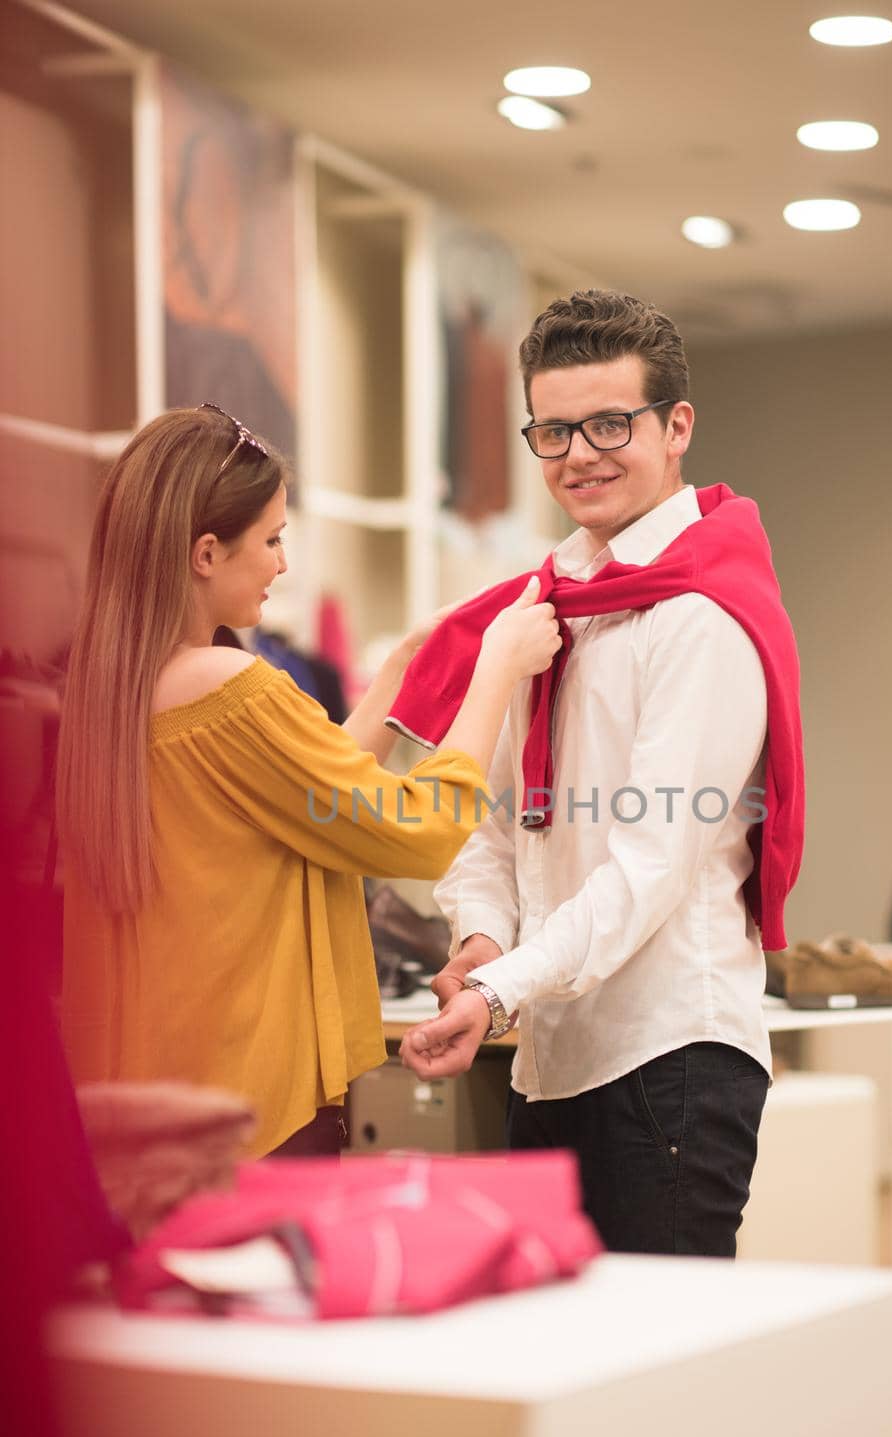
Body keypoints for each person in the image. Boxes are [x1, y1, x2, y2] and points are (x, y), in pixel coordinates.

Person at [400, 289, 803, 1256]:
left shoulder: (700, 617)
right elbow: (495, 823)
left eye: (610, 424)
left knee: (663, 1389)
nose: (580, 453)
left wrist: (501, 991)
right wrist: (485, 938)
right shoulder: (549, 603)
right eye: (553, 431)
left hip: (671, 1057)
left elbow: (649, 868)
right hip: (551, 1056)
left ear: (676, 429)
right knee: (567, 1376)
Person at [57, 404, 559, 1157]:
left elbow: (311, 793)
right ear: (204, 554)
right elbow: (415, 831)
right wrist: (496, 672)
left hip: (157, 1097)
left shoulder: (115, 693)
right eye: (272, 539)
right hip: (251, 1100)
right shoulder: (231, 687)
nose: (283, 563)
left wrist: (403, 668)